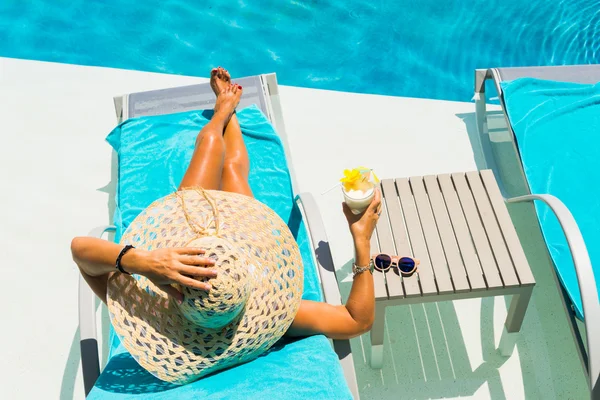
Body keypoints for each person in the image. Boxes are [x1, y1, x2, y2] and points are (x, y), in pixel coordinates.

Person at [71, 67, 381, 342]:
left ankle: (222, 112)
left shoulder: (155, 318)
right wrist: (361, 239)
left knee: (208, 145)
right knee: (232, 170)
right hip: (242, 247)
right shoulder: (271, 312)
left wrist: (148, 263)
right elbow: (357, 320)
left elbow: (81, 252)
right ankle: (228, 113)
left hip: (187, 235)